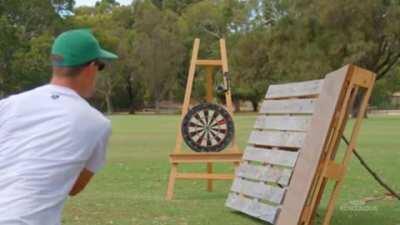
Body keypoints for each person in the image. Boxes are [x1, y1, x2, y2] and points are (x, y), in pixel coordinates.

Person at [0, 29, 118, 225]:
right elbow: (74, 187)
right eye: (101, 66)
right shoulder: (97, 124)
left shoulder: (8, 105)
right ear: (90, 67)